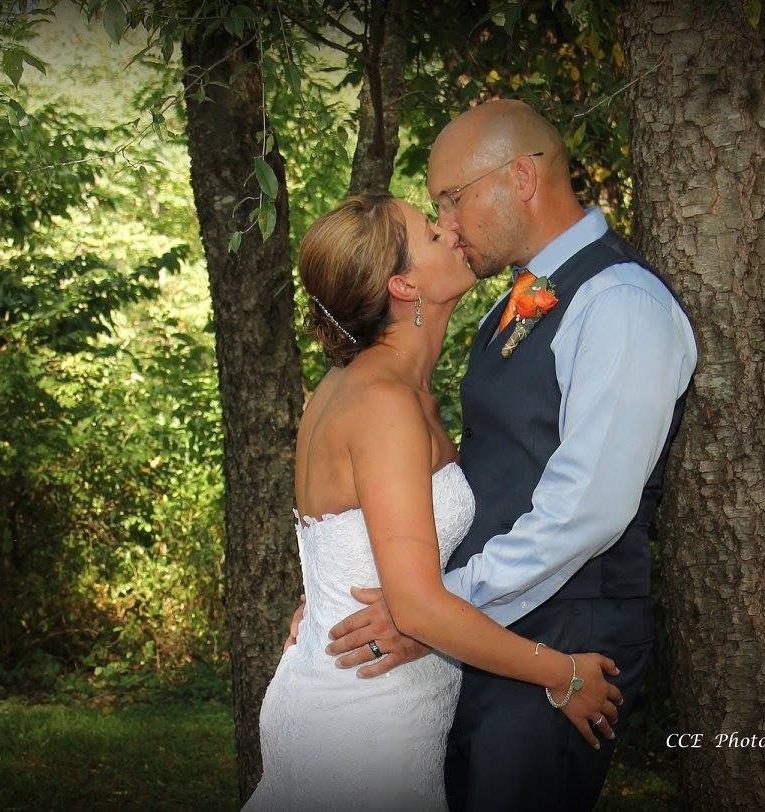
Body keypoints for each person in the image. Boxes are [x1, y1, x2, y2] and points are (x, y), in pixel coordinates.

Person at [323, 100, 697, 810]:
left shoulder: (621, 302)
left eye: (451, 200)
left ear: (521, 176)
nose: (448, 226)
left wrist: (432, 609)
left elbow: (588, 510)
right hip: (486, 625)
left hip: (569, 631)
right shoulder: (512, 304)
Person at [244, 193, 624, 811]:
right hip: (365, 719)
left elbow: (352, 541)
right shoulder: (383, 402)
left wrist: (324, 597)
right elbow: (416, 608)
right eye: (429, 230)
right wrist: (564, 674)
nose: (450, 228)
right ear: (403, 284)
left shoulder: (365, 386)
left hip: (352, 686)